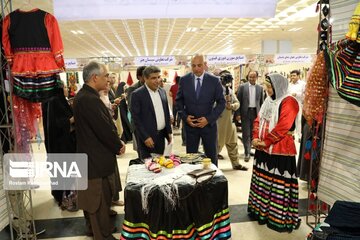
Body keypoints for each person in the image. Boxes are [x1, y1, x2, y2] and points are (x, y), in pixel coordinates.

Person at [74, 61, 125, 240]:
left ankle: (96, 231)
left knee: (94, 204)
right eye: (105, 76)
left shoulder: (85, 96)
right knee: (98, 204)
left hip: (90, 159)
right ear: (95, 78)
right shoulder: (89, 99)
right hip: (95, 162)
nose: (108, 80)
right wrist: (118, 145)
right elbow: (103, 129)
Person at [248, 73, 301, 232]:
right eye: (266, 86)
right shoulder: (268, 100)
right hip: (263, 149)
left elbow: (284, 125)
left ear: (279, 86)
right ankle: (261, 212)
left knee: (277, 183)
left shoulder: (289, 101)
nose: (267, 89)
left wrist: (266, 141)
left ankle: (277, 217)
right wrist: (256, 137)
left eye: (270, 87)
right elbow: (259, 119)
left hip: (280, 150)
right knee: (263, 181)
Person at [176, 54, 225, 166]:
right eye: (193, 66)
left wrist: (209, 119)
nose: (196, 68)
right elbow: (179, 101)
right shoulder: (184, 80)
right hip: (190, 126)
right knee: (191, 158)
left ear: (205, 65)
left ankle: (212, 180)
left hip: (209, 126)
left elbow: (221, 102)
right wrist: (185, 117)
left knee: (212, 157)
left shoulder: (214, 81)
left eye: (199, 65)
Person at [42, 81, 77, 211]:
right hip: (61, 145)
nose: (67, 89)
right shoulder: (54, 102)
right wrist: (72, 119)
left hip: (59, 145)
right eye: (65, 87)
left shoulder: (53, 101)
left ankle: (64, 197)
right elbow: (56, 125)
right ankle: (65, 199)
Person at [131, 66, 172, 159]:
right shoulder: (137, 94)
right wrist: (145, 137)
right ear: (145, 79)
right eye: (153, 78)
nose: (157, 80)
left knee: (161, 164)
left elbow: (166, 113)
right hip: (147, 139)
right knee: (148, 167)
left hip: (161, 136)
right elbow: (136, 119)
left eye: (158, 77)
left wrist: (168, 132)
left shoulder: (162, 92)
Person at [216, 71, 248, 171]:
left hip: (230, 122)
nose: (227, 82)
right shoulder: (214, 91)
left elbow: (237, 103)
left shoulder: (229, 91)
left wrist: (232, 106)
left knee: (233, 144)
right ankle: (212, 166)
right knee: (216, 146)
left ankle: (236, 164)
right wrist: (222, 104)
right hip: (219, 122)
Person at [235, 71, 264, 162]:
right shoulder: (242, 87)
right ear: (248, 77)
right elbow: (238, 101)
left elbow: (261, 102)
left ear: (256, 77)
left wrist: (262, 114)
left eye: (253, 77)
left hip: (256, 113)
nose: (251, 79)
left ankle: (250, 149)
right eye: (250, 77)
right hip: (245, 113)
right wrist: (238, 114)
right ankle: (246, 152)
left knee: (253, 134)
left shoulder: (260, 88)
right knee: (246, 133)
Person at [126, 66, 146, 156]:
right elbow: (132, 108)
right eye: (144, 76)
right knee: (141, 151)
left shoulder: (151, 87)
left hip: (150, 125)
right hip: (138, 125)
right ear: (139, 77)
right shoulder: (133, 89)